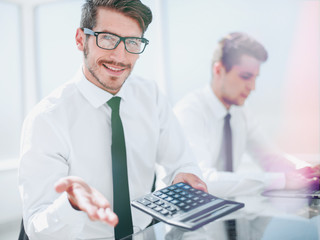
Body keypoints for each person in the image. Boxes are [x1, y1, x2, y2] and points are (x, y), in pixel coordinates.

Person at [18, 1, 207, 239]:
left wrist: (183, 175)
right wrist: (72, 204)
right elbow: (36, 228)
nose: (120, 56)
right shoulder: (47, 119)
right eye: (107, 38)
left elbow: (182, 162)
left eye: (132, 42)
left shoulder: (151, 96)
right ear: (80, 39)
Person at [174, 32, 319, 197]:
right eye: (245, 76)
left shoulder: (241, 111)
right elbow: (202, 181)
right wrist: (280, 180)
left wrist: (305, 170)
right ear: (219, 70)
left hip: (224, 213)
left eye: (255, 78)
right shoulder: (189, 113)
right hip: (184, 215)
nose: (252, 87)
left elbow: (269, 158)